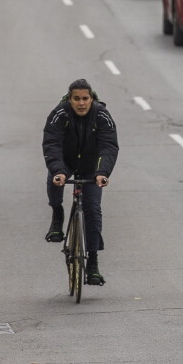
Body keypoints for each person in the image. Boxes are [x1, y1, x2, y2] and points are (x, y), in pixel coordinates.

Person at [43, 79, 119, 286]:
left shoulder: (102, 115)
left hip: (91, 167)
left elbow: (109, 146)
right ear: (70, 99)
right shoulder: (59, 114)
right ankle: (57, 215)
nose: (81, 103)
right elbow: (51, 144)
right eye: (76, 99)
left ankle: (93, 263)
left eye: (85, 98)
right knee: (54, 179)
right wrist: (58, 171)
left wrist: (102, 172)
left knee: (93, 210)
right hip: (66, 162)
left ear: (92, 99)